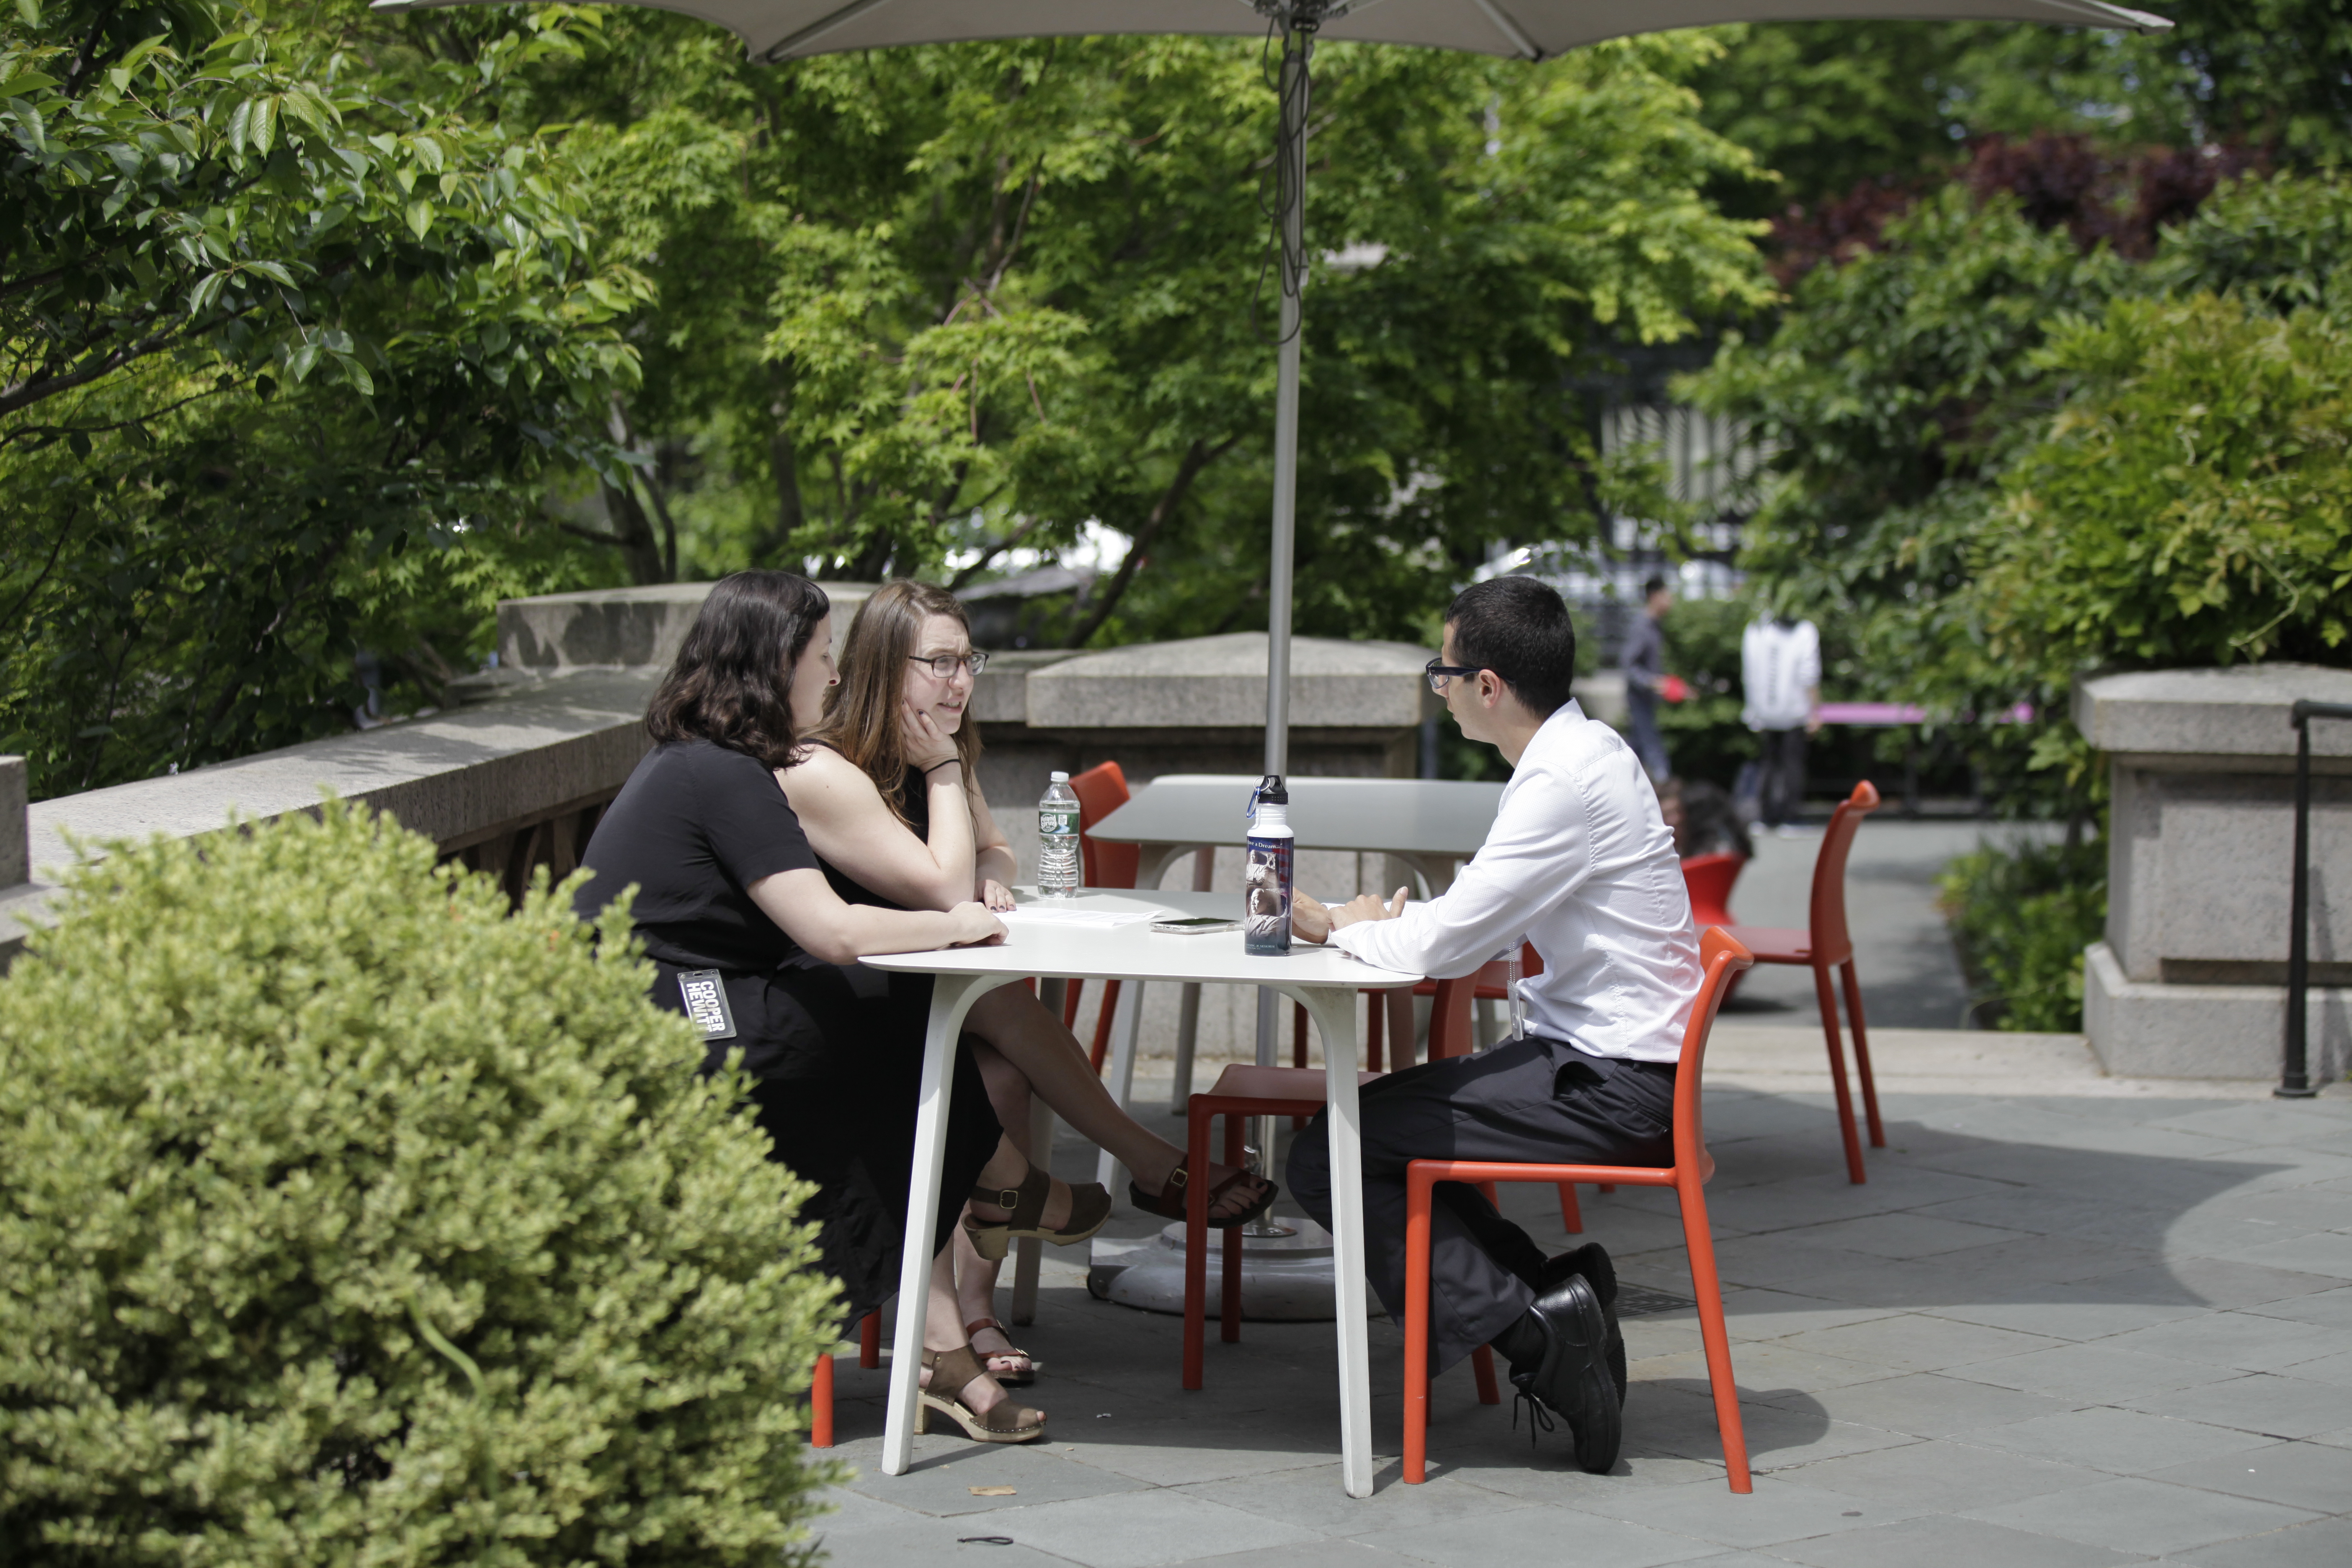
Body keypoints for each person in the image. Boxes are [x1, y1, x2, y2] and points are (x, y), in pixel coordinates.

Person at [573, 570, 1099, 1445]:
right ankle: (991, 1196)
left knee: (892, 1018)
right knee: (879, 1017)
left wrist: (944, 914)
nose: (830, 676)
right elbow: (831, 932)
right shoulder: (726, 773)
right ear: (776, 662)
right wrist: (952, 917)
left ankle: (955, 1297)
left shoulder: (711, 760)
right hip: (669, 1012)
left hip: (677, 996)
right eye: (821, 656)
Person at [779, 578, 1277, 1384]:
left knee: (1003, 1066)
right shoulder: (833, 765)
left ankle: (973, 1310)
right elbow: (934, 891)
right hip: (852, 1007)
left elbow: (995, 847)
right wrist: (945, 783)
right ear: (879, 666)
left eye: (966, 659)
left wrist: (990, 869)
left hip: (936, 996)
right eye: (937, 662)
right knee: (1000, 1009)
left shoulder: (942, 746)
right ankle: (1148, 1166)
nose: (958, 681)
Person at [1284, 575, 1702, 1475]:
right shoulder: (1584, 752)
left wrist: (1346, 925)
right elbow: (1476, 918)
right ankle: (1553, 1304)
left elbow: (1443, 946)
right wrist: (1388, 927)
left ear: (1487, 687)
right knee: (1373, 1135)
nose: (1437, 684)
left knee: (1333, 1150)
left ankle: (1541, 1334)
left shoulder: (1560, 780)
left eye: (1444, 670)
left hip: (1615, 1085)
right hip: (1608, 1063)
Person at [1741, 613, 1821, 836]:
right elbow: (1809, 672)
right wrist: (1815, 711)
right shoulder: (1805, 630)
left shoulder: (1757, 627)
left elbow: (1749, 669)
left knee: (1768, 763)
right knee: (1792, 764)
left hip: (1764, 709)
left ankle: (1766, 816)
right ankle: (1790, 817)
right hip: (1794, 710)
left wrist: (1753, 709)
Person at [1620, 575, 1673, 783]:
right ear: (1654, 596)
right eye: (1667, 595)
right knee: (1652, 747)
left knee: (1638, 748)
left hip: (1648, 698)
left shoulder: (1655, 625)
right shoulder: (1642, 627)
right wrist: (1652, 682)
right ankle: (1666, 786)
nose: (1671, 601)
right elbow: (1629, 665)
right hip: (1640, 698)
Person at [1658, 778, 1753, 861]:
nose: (1676, 819)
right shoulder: (1660, 851)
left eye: (1679, 812)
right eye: (1667, 815)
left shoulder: (1708, 848)